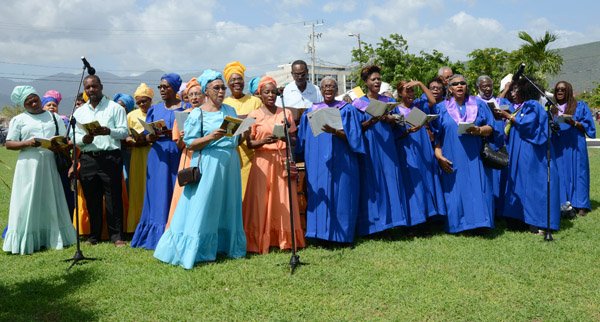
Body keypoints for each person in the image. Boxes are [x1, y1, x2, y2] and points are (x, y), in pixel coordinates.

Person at [154, 69, 246, 269]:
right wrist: (212, 137)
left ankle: (226, 246)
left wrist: (242, 131)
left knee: (227, 205)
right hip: (208, 163)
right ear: (206, 90)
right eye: (217, 88)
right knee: (203, 205)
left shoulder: (230, 111)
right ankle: (196, 248)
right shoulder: (197, 113)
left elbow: (236, 139)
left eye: (223, 88)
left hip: (229, 162)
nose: (221, 91)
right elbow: (191, 143)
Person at [3, 85, 77, 254]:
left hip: (49, 162)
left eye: (35, 99)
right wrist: (26, 143)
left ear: (39, 98)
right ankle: (26, 238)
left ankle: (52, 236)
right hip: (28, 164)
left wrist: (59, 145)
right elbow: (9, 143)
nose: (33, 103)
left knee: (50, 197)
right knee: (27, 199)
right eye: (29, 102)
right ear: (24, 105)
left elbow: (65, 140)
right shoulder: (19, 119)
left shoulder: (53, 117)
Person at [295, 77, 365, 244]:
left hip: (342, 160)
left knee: (342, 194)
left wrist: (335, 131)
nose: (328, 89)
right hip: (318, 162)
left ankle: (341, 236)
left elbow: (355, 138)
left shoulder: (347, 110)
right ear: (321, 89)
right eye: (325, 86)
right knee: (320, 194)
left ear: (337, 89)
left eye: (332, 86)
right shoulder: (311, 112)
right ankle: (318, 235)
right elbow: (302, 141)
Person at [243, 76, 306, 254]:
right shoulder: (253, 115)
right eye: (266, 92)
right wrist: (263, 141)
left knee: (283, 199)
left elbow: (293, 139)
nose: (271, 95)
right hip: (262, 161)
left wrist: (286, 134)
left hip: (281, 159)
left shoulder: (285, 112)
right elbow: (249, 144)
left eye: (273, 92)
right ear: (259, 94)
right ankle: (259, 239)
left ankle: (284, 239)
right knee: (260, 199)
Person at [494, 77, 560, 233]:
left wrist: (508, 116)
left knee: (531, 184)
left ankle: (536, 221)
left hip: (530, 151)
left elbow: (528, 125)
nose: (513, 93)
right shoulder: (523, 106)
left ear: (525, 91)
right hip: (522, 149)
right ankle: (521, 218)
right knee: (521, 183)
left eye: (515, 90)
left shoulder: (532, 105)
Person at [432, 74, 495, 233]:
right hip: (452, 155)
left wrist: (479, 130)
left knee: (477, 187)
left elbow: (491, 127)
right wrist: (439, 156)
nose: (459, 86)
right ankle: (458, 225)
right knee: (456, 191)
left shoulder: (478, 104)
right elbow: (436, 137)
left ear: (467, 86)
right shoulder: (441, 108)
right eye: (455, 84)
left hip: (475, 156)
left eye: (462, 83)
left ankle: (481, 223)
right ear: (450, 88)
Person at [71, 75, 128, 246]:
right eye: (88, 88)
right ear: (85, 90)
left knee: (113, 198)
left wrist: (108, 131)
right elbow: (76, 138)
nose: (91, 90)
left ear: (101, 87)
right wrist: (84, 140)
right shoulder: (79, 112)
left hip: (110, 157)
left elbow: (124, 132)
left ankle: (116, 236)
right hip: (89, 158)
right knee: (92, 198)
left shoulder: (115, 108)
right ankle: (93, 235)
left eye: (94, 86)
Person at [351, 65, 408, 236]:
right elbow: (356, 128)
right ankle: (374, 225)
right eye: (373, 79)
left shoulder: (387, 102)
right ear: (366, 82)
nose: (377, 81)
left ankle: (393, 222)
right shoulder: (358, 104)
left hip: (388, 146)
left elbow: (400, 122)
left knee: (391, 180)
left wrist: (390, 119)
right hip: (369, 146)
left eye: (378, 79)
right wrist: (372, 121)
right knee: (372, 183)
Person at [131, 73, 186, 250]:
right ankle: (155, 232)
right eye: (160, 87)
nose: (162, 90)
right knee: (157, 193)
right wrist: (151, 134)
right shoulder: (154, 110)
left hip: (178, 153)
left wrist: (175, 133)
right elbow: (148, 136)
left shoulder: (186, 107)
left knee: (176, 190)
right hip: (158, 155)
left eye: (166, 86)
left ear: (175, 88)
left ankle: (176, 230)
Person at [394, 80, 446, 226]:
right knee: (411, 181)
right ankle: (414, 220)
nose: (410, 94)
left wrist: (419, 84)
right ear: (400, 93)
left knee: (426, 179)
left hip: (422, 147)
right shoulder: (395, 109)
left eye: (412, 91)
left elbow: (432, 100)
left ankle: (428, 217)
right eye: (407, 91)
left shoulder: (419, 105)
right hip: (406, 147)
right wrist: (408, 131)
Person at [552, 81, 596, 216]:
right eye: (558, 89)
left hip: (575, 144)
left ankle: (581, 205)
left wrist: (574, 122)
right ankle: (563, 203)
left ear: (568, 91)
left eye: (563, 90)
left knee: (579, 173)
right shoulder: (552, 108)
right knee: (561, 173)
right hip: (558, 145)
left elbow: (589, 129)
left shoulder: (580, 106)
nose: (560, 92)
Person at [165, 78, 204, 229]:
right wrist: (182, 136)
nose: (194, 97)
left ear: (204, 96)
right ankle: (181, 226)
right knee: (186, 193)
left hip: (205, 156)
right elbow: (180, 145)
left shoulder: (209, 114)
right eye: (191, 94)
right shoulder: (181, 116)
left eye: (197, 94)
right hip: (188, 157)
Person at [223, 61, 263, 201]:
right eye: (232, 80)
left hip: (252, 155)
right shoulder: (224, 104)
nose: (236, 82)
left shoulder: (255, 102)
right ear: (228, 83)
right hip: (231, 155)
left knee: (251, 196)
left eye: (239, 78)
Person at [476, 75, 512, 215]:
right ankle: (491, 208)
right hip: (485, 144)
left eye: (489, 85)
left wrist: (505, 114)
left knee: (503, 175)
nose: (487, 88)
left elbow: (510, 112)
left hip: (501, 142)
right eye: (484, 86)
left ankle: (502, 207)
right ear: (478, 88)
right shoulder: (475, 103)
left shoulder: (500, 101)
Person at [124, 83, 154, 233]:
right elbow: (126, 137)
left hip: (154, 154)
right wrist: (134, 141)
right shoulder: (131, 116)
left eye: (145, 101)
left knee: (152, 187)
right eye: (139, 102)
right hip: (137, 155)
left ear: (150, 100)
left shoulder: (156, 113)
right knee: (137, 188)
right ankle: (136, 224)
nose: (142, 104)